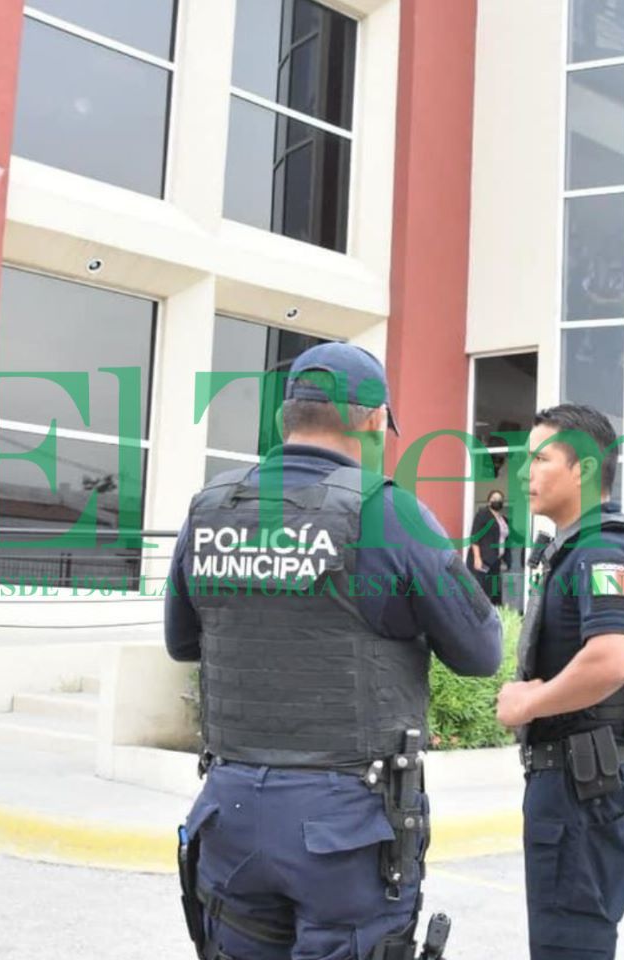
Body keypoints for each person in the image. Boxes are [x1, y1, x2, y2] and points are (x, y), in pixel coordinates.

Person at [165, 343, 503, 960]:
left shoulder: (210, 507)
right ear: (374, 421)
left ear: (284, 418)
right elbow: (481, 652)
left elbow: (183, 641)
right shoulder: (389, 512)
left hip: (230, 809)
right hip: (345, 823)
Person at [495, 403, 624, 960]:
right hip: (583, 783)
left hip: (581, 790)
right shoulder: (584, 547)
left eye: (541, 459)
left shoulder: (601, 550)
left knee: (570, 947)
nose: (525, 473)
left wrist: (529, 703)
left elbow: (613, 658)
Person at [468, 489, 511, 606]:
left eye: (499, 499)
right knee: (480, 592)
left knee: (493, 592)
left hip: (495, 561)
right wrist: (477, 558)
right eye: (494, 498)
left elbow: (505, 540)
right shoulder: (483, 515)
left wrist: (506, 560)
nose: (497, 501)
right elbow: (475, 537)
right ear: (488, 501)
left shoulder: (504, 520)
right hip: (483, 560)